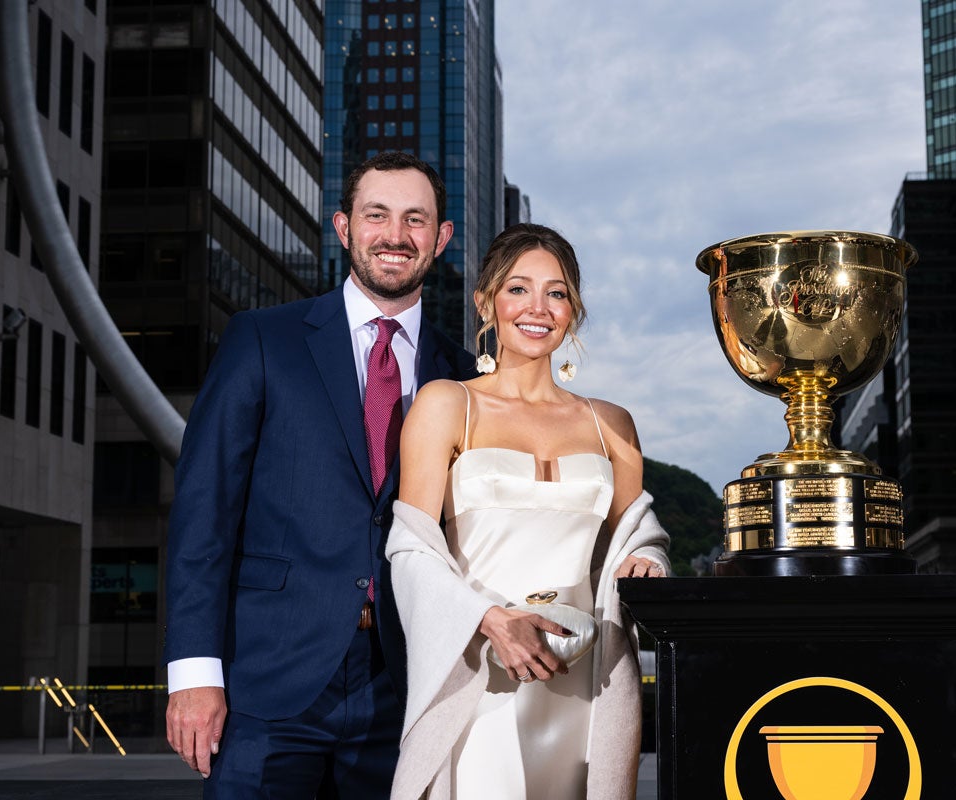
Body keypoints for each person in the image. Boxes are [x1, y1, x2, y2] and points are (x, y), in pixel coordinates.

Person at [162, 151, 477, 797]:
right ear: (343, 227)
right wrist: (194, 671)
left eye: (416, 219)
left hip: (408, 685)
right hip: (267, 682)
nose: (395, 235)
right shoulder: (261, 340)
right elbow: (204, 514)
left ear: (441, 239)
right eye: (376, 215)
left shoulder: (466, 376)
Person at [385, 223, 671, 799]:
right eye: (518, 289)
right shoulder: (446, 403)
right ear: (486, 301)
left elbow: (633, 536)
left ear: (574, 309)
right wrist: (490, 621)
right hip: (481, 669)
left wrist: (646, 560)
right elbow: (411, 546)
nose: (538, 308)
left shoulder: (611, 424)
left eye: (557, 292)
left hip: (586, 676)